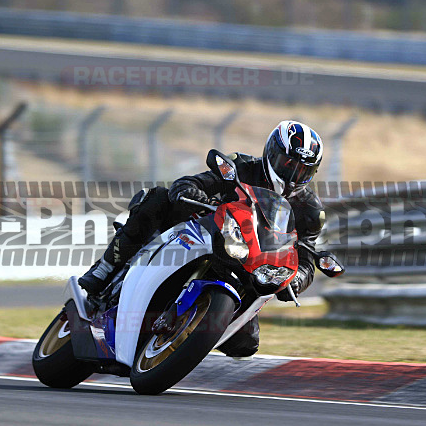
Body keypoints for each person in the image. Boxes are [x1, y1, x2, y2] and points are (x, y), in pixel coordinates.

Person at [78, 120, 325, 357]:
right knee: (156, 199)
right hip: (211, 234)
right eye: (288, 164)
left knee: (246, 344)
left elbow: (305, 255)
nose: (293, 174)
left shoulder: (310, 210)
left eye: (304, 170)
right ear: (272, 153)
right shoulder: (242, 166)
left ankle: (188, 337)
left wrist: (299, 279)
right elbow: (198, 181)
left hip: (251, 266)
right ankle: (107, 266)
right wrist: (189, 190)